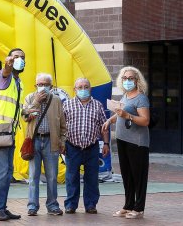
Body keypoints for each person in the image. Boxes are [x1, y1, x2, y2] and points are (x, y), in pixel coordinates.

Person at [102, 66, 150, 219]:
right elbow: (120, 113)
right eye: (125, 78)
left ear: (137, 81)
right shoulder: (125, 96)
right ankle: (128, 205)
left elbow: (145, 120)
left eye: (131, 78)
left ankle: (139, 208)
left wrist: (128, 115)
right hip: (123, 141)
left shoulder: (141, 98)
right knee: (127, 175)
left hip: (137, 142)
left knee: (138, 176)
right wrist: (110, 120)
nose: (127, 81)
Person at [0, 48, 25, 221]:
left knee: (7, 172)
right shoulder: (5, 76)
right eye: (16, 57)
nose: (20, 60)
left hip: (9, 132)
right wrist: (7, 66)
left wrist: (28, 111)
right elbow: (5, 71)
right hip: (0, 131)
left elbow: (15, 107)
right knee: (1, 172)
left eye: (22, 58)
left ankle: (2, 207)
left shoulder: (19, 82)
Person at [62, 78, 110, 214]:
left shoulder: (98, 105)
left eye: (86, 87)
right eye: (80, 87)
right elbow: (62, 127)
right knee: (71, 178)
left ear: (90, 88)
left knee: (92, 178)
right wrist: (62, 143)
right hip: (72, 146)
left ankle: (90, 205)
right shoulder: (67, 105)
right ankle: (71, 204)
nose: (83, 89)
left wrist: (106, 143)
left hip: (92, 148)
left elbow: (104, 126)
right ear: (74, 89)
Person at [22, 73, 66, 216]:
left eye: (45, 84)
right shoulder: (29, 97)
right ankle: (32, 206)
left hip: (51, 141)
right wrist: (36, 102)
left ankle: (52, 205)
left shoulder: (57, 100)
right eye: (39, 84)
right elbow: (25, 117)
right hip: (34, 141)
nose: (42, 87)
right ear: (35, 86)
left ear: (51, 87)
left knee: (52, 176)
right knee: (33, 175)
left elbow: (63, 125)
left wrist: (62, 141)